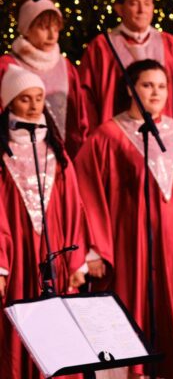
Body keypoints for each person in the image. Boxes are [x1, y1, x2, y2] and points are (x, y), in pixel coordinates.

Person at [75, 59, 173, 378]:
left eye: (162, 86)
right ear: (130, 90)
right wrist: (95, 249)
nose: (156, 92)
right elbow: (85, 191)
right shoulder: (106, 136)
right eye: (147, 85)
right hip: (132, 248)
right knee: (137, 311)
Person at [0, 65, 87, 379]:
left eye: (38, 98)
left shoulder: (55, 152)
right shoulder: (3, 155)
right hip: (19, 257)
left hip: (54, 256)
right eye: (25, 99)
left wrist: (76, 262)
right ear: (9, 104)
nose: (34, 105)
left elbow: (73, 208)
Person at [77, 0, 173, 143]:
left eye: (147, 3)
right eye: (134, 3)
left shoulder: (170, 47)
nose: (142, 10)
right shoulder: (102, 47)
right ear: (119, 9)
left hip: (166, 140)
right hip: (117, 141)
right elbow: (84, 101)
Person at [0, 0, 88, 158]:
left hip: (59, 156)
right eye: (43, 27)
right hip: (16, 156)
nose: (51, 35)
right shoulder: (7, 66)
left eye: (55, 27)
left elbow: (78, 119)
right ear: (27, 29)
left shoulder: (65, 67)